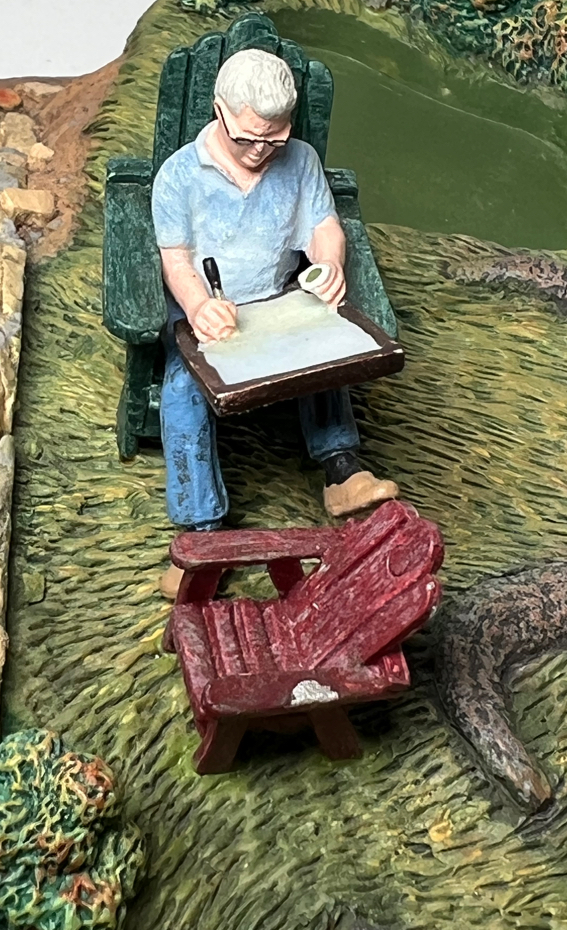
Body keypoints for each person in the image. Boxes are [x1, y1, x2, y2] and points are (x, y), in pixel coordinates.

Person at [152, 48, 398, 591]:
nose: (261, 150)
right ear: (220, 112)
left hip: (281, 297)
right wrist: (198, 306)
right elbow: (175, 259)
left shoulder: (301, 161)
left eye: (275, 138)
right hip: (213, 314)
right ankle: (201, 531)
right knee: (183, 392)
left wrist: (329, 263)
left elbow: (324, 226)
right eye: (247, 138)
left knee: (325, 344)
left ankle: (341, 468)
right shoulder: (179, 177)